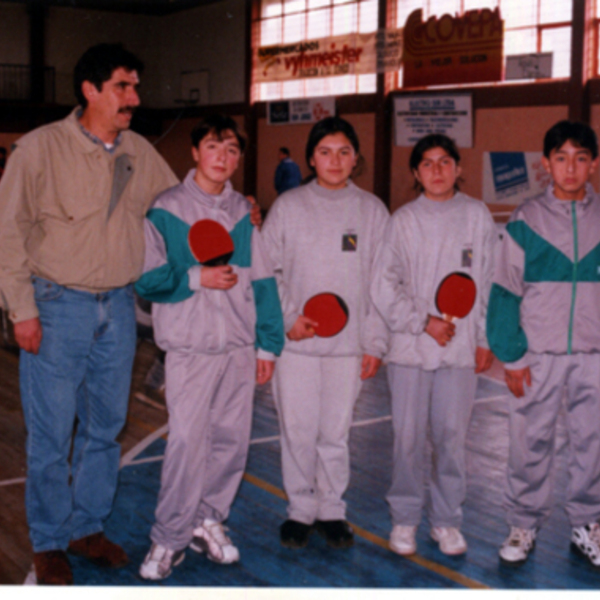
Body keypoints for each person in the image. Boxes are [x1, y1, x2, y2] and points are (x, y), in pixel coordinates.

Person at [0, 44, 180, 585]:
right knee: (52, 433)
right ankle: (50, 540)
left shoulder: (140, 150)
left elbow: (178, 204)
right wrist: (21, 310)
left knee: (106, 428)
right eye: (124, 86)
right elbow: (8, 233)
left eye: (135, 87)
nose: (135, 98)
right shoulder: (39, 149)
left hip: (119, 309)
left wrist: (233, 208)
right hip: (56, 307)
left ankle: (87, 527)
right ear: (91, 90)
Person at [135, 115, 284, 580]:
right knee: (185, 443)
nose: (224, 157)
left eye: (233, 150)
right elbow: (147, 281)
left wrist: (268, 346)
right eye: (214, 147)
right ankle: (168, 537)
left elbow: (263, 281)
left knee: (230, 444)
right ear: (195, 152)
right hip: (190, 350)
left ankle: (208, 519)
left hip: (238, 349)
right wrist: (198, 278)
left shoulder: (244, 211)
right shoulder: (166, 209)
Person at [262, 116, 389, 550]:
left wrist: (374, 342)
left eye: (344, 152)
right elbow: (267, 270)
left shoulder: (372, 210)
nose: (334, 160)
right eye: (325, 152)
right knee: (297, 429)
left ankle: (332, 509)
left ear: (356, 158)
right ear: (310, 159)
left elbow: (381, 282)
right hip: (296, 344)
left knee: (335, 433)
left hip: (348, 349)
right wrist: (287, 318)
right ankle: (300, 509)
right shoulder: (288, 206)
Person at [370, 134, 496, 557]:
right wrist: (424, 323)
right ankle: (404, 519)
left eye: (445, 162)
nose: (437, 170)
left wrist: (482, 338)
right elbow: (383, 285)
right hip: (409, 350)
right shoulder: (402, 220)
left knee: (450, 439)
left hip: (459, 356)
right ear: (415, 173)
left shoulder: (478, 216)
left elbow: (489, 283)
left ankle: (446, 521)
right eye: (427, 163)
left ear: (459, 168)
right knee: (406, 438)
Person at [487, 120, 600, 567]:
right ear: (546, 165)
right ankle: (522, 524)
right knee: (529, 443)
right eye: (561, 158)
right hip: (537, 357)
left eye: (580, 158)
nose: (570, 168)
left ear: (593, 165)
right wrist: (512, 356)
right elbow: (503, 292)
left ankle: (587, 524)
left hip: (594, 358)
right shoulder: (526, 220)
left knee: (593, 443)